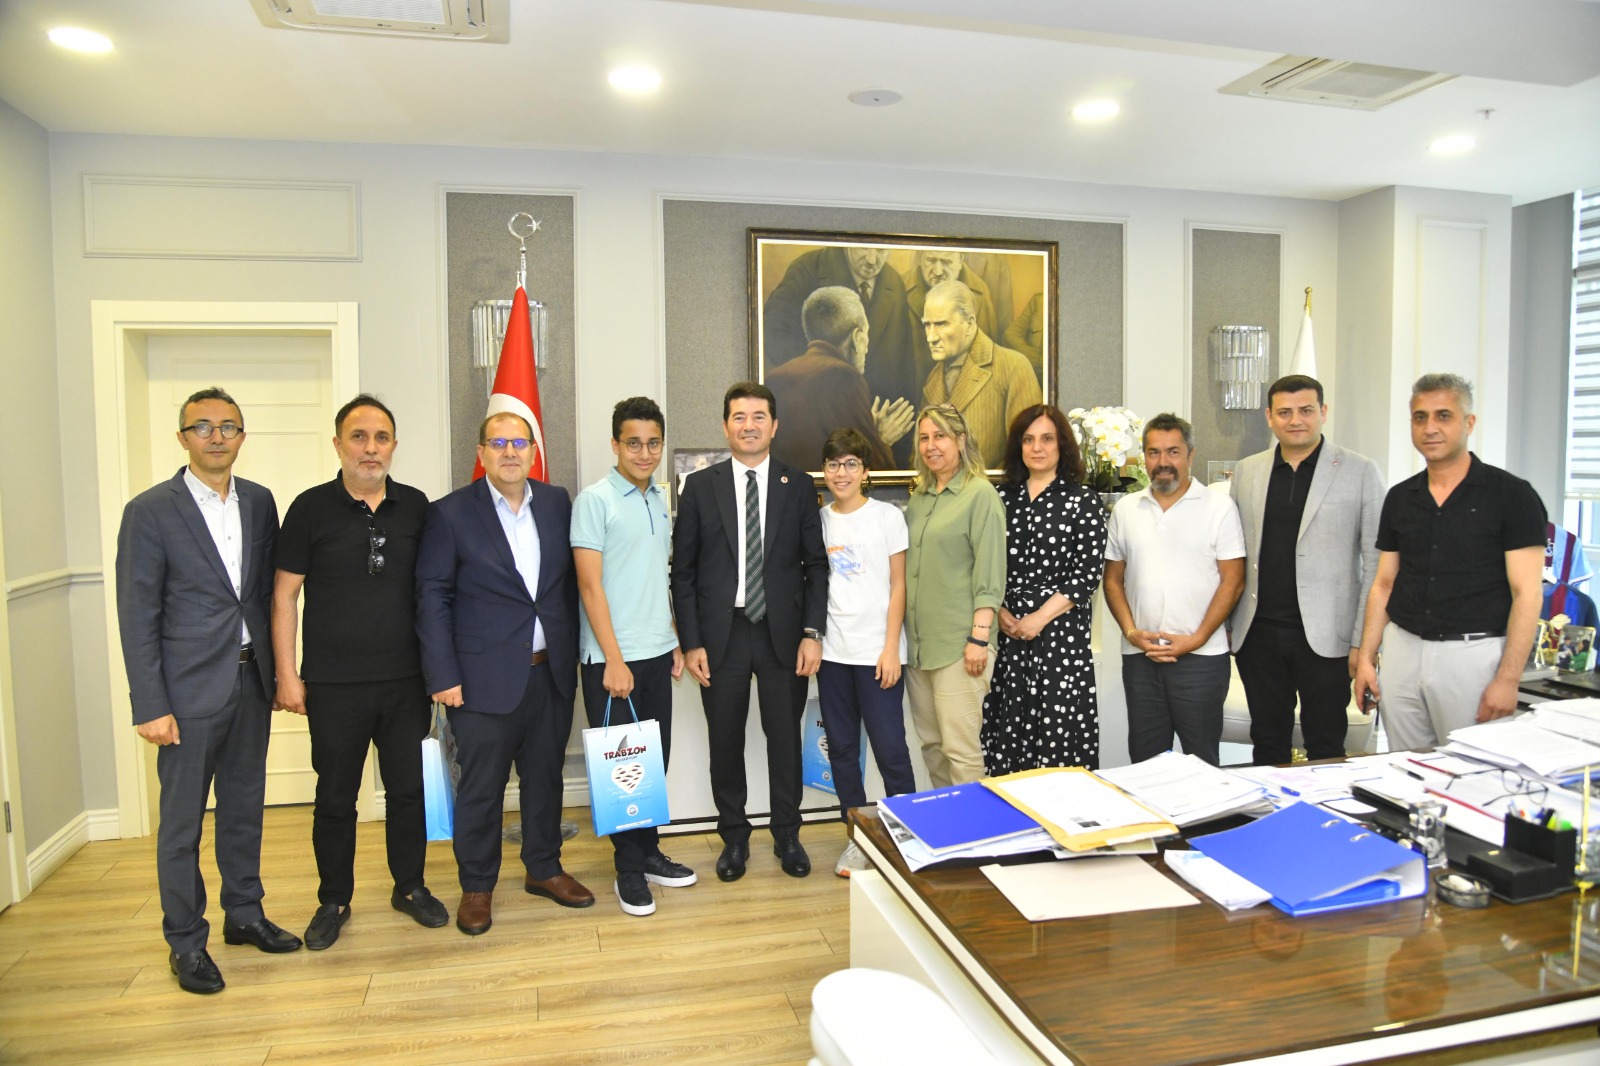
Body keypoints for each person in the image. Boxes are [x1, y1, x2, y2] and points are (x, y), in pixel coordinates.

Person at [115, 386, 300, 994]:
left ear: (243, 436)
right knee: (182, 824)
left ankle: (244, 914)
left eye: (228, 427)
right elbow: (137, 613)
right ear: (182, 437)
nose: (217, 437)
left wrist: (280, 672)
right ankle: (186, 942)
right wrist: (151, 704)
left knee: (244, 809)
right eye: (203, 427)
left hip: (250, 680)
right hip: (186, 693)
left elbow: (265, 594)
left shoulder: (260, 501)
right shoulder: (150, 510)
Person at [271, 394, 448, 951]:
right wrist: (287, 675)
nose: (370, 448)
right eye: (358, 437)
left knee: (408, 792)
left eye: (381, 438)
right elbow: (284, 596)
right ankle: (333, 900)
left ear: (393, 446)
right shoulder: (309, 508)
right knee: (335, 798)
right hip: (332, 685)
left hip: (405, 682)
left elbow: (437, 591)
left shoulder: (417, 507)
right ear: (338, 444)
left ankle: (410, 887)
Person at [415, 411, 590, 936]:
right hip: (479, 680)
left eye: (519, 442)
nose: (510, 451)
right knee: (481, 788)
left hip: (549, 674)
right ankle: (477, 885)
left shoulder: (557, 502)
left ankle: (544, 867)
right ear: (482, 452)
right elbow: (432, 597)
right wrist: (442, 675)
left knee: (545, 778)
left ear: (534, 451)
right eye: (498, 442)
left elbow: (567, 586)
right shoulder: (449, 513)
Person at [671, 382, 829, 882]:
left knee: (784, 740)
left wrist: (812, 633)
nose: (749, 425)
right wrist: (691, 642)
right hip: (722, 636)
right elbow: (683, 573)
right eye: (739, 417)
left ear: (774, 426)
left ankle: (788, 834)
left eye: (759, 416)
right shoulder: (700, 487)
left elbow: (816, 566)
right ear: (725, 426)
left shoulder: (797, 485)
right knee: (725, 742)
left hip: (784, 635)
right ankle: (734, 838)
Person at [1354, 374, 1545, 750]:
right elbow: (1384, 584)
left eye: (1443, 416)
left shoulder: (1512, 495)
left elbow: (1527, 594)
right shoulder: (1400, 497)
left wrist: (1508, 679)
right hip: (1403, 650)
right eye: (1420, 417)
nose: (1430, 428)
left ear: (1469, 423)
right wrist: (1365, 658)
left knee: (1473, 770)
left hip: (1472, 656)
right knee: (1406, 768)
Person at [571, 396, 696, 917]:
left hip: (655, 652)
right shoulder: (594, 501)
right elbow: (590, 586)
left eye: (653, 443)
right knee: (623, 769)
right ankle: (628, 871)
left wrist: (673, 639)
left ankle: (648, 853)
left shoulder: (659, 498)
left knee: (652, 762)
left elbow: (656, 577)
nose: (644, 453)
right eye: (633, 443)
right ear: (615, 444)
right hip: (612, 660)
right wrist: (614, 660)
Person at [1230, 375, 1386, 766]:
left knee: (1326, 744)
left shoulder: (1360, 470)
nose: (1295, 420)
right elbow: (1234, 554)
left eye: (1306, 410)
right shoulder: (1248, 471)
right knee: (1267, 743)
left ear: (1323, 412)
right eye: (1284, 412)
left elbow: (1377, 564)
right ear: (1270, 417)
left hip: (1328, 639)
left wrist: (1363, 643)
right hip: (1259, 633)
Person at [1103, 413, 1245, 766]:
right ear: (1144, 457)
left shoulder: (1219, 508)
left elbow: (1233, 581)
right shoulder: (1126, 509)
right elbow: (1112, 580)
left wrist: (1195, 640)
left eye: (1173, 452)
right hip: (1141, 659)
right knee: (1146, 763)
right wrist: (1132, 633)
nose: (1163, 462)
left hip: (1201, 660)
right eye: (1154, 452)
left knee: (1202, 763)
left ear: (1190, 455)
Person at [981, 405, 1106, 774]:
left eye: (1047, 439)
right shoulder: (999, 498)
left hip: (1060, 638)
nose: (1037, 447)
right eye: (1028, 439)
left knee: (1058, 736)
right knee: (1009, 730)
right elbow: (984, 564)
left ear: (1061, 445)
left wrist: (1039, 618)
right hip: (1008, 636)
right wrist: (1000, 612)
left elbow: (1086, 574)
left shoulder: (1083, 500)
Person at [815, 427, 916, 877]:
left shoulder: (887, 517)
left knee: (891, 750)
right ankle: (858, 838)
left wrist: (891, 648)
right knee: (841, 751)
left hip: (879, 655)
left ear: (865, 471)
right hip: (833, 655)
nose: (842, 472)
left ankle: (908, 836)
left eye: (851, 464)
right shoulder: (819, 520)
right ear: (824, 471)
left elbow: (898, 586)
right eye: (834, 464)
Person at [904, 404, 1006, 786]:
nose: (931, 446)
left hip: (960, 647)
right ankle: (946, 818)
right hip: (919, 649)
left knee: (961, 750)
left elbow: (990, 572)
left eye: (940, 436)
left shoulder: (980, 495)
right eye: (924, 438)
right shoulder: (920, 497)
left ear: (961, 440)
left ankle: (971, 824)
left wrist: (979, 638)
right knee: (932, 746)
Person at [761, 244, 920, 463]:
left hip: (874, 422)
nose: (872, 260)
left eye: (881, 251)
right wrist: (820, 373)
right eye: (864, 249)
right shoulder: (808, 269)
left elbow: (904, 361)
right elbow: (773, 329)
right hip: (819, 415)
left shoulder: (893, 282)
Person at [766, 286, 904, 473]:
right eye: (866, 334)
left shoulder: (773, 378)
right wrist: (882, 440)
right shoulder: (844, 376)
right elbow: (874, 468)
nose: (867, 346)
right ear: (857, 337)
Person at [919, 280, 1041, 469]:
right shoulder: (933, 378)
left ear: (969, 324)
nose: (931, 337)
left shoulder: (1013, 366)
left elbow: (1028, 451)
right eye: (927, 325)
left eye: (941, 324)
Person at [902, 249, 999, 386]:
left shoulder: (980, 292)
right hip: (912, 387)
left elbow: (985, 355)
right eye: (931, 260)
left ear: (960, 261)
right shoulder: (900, 286)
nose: (938, 271)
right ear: (920, 258)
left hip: (960, 387)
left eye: (946, 262)